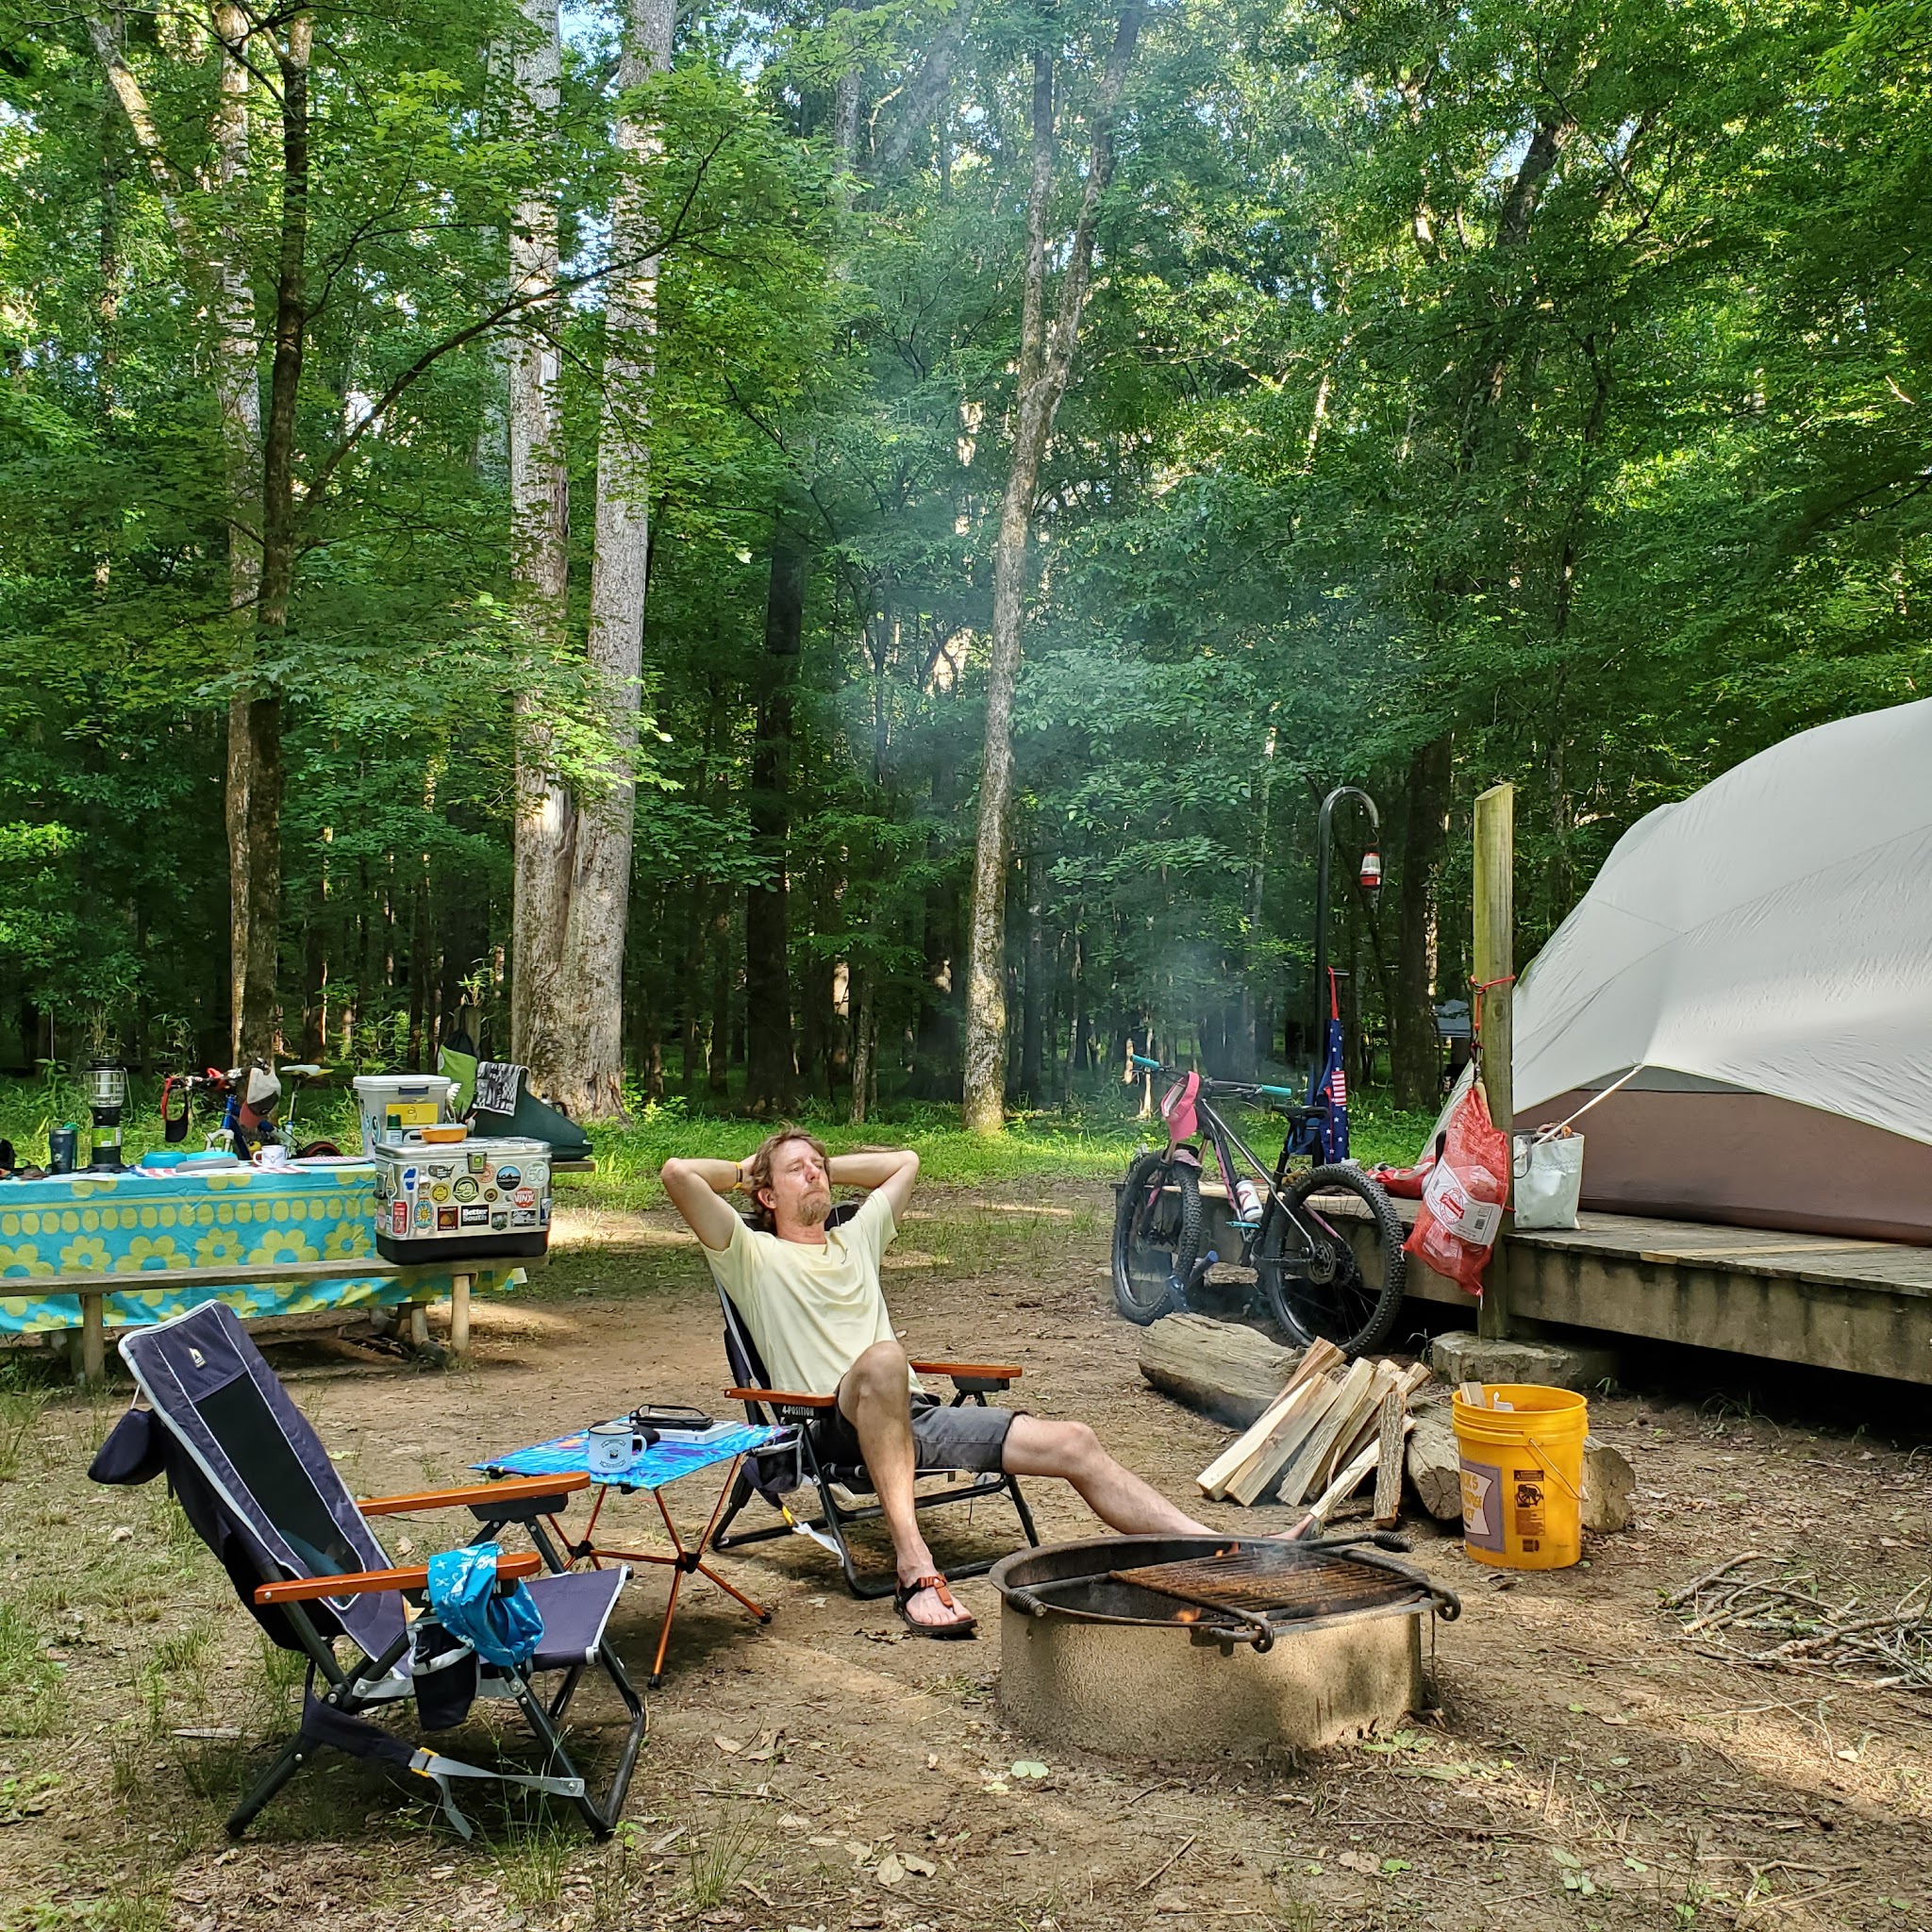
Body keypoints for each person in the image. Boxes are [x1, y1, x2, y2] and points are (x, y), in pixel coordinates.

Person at [660, 1128, 1216, 1637]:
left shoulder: (856, 1239)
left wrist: (821, 1165)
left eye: (818, 1165)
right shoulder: (749, 1253)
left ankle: (1213, 1549)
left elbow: (906, 1161)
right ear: (766, 1196)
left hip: (911, 1414)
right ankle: (914, 1567)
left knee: (1075, 1441)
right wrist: (748, 1168)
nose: (814, 1173)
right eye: (796, 1170)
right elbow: (677, 1174)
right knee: (883, 1360)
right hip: (828, 1424)